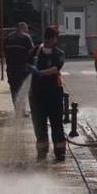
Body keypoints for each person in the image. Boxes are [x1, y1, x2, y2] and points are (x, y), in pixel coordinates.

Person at [29, 27, 67, 161]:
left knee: (57, 124)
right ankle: (42, 151)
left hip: (54, 94)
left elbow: (56, 68)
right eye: (48, 38)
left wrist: (40, 73)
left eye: (52, 38)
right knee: (39, 125)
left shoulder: (58, 53)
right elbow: (27, 64)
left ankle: (60, 151)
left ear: (56, 39)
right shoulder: (35, 51)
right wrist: (29, 68)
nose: (50, 41)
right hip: (37, 94)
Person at [4, 22, 35, 116]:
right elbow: (32, 52)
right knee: (23, 88)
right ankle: (23, 110)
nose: (27, 31)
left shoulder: (8, 37)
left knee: (13, 89)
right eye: (26, 29)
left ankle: (17, 109)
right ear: (22, 28)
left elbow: (4, 52)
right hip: (22, 68)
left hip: (11, 68)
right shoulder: (26, 37)